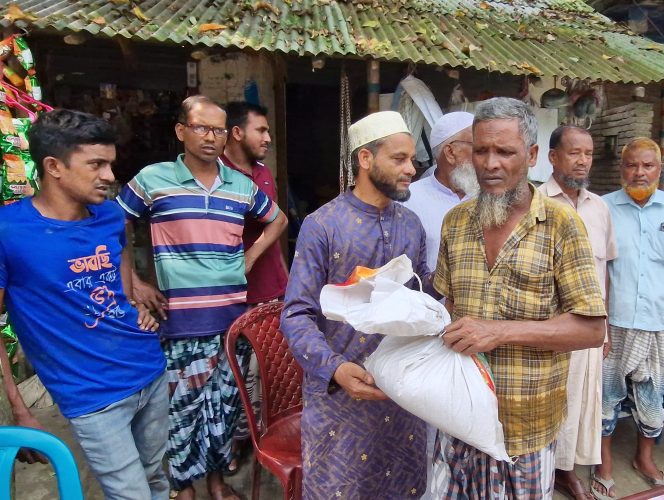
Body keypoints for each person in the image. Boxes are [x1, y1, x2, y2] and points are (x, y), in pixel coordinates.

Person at [430, 97, 607, 498]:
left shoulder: (562, 225)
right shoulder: (455, 222)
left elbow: (591, 330)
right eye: (481, 150)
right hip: (458, 417)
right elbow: (449, 305)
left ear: (531, 155)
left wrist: (499, 332)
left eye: (505, 152)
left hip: (525, 428)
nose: (490, 164)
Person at [118, 95, 287, 500]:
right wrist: (134, 283)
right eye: (201, 128)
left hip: (231, 321)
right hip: (180, 321)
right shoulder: (154, 179)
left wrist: (249, 258)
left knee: (224, 409)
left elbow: (278, 220)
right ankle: (183, 488)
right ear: (181, 131)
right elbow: (114, 222)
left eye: (218, 130)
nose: (210, 137)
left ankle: (216, 484)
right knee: (182, 412)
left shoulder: (241, 186)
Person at [0, 109, 169, 499]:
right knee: (132, 494)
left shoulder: (109, 215)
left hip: (149, 371)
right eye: (96, 164)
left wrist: (132, 301)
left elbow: (120, 253)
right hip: (92, 397)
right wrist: (19, 409)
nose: (109, 176)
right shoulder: (9, 231)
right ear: (54, 166)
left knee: (157, 481)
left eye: (110, 163)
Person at [280, 111, 430, 498]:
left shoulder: (411, 224)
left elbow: (423, 292)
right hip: (340, 398)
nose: (411, 169)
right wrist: (335, 368)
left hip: (400, 393)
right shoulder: (323, 225)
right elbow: (296, 315)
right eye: (399, 159)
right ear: (365, 158)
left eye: (412, 159)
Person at [596, 137, 664, 498]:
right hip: (615, 322)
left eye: (647, 165)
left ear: (660, 169)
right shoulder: (603, 208)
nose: (639, 172)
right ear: (622, 168)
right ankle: (603, 463)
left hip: (658, 322)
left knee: (652, 399)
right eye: (632, 165)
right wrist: (598, 324)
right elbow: (598, 269)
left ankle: (644, 458)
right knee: (606, 398)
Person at [537, 125, 616, 500]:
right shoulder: (535, 203)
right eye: (574, 153)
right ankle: (539, 473)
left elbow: (605, 272)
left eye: (588, 153)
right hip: (547, 330)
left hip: (588, 329)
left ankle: (566, 472)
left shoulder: (599, 208)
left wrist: (605, 328)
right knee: (545, 402)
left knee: (580, 402)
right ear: (553, 157)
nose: (583, 161)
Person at [220, 101, 290, 473]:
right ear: (236, 133)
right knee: (236, 374)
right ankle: (233, 443)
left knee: (271, 371)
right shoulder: (218, 175)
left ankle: (263, 436)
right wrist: (245, 261)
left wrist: (286, 280)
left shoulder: (263, 172)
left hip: (273, 288)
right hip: (236, 295)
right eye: (260, 130)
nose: (268, 138)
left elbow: (275, 229)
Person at [403, 111, 478, 270]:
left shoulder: (492, 197)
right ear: (450, 152)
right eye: (478, 147)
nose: (486, 157)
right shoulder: (408, 200)